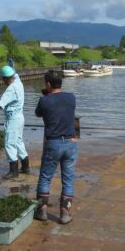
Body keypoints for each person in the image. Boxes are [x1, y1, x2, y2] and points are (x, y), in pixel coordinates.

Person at [34, 69, 77, 224]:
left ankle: (42, 212)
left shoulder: (44, 100)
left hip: (53, 143)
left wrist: (46, 95)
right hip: (71, 143)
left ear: (48, 84)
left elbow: (38, 113)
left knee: (45, 177)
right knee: (68, 179)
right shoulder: (71, 98)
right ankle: (65, 214)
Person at [0, 65, 29, 179]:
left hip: (13, 119)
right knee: (18, 142)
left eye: (3, 78)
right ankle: (25, 167)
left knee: (9, 143)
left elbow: (1, 102)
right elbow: (16, 74)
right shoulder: (18, 82)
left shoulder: (11, 88)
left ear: (6, 78)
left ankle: (13, 171)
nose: (3, 81)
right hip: (20, 117)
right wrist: (12, 67)